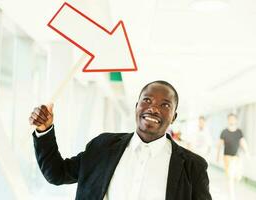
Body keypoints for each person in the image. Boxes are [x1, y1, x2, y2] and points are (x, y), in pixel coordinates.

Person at [29, 80, 212, 200]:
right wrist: (44, 130)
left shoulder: (192, 167)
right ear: (136, 107)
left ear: (174, 117)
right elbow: (57, 173)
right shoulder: (103, 147)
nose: (153, 108)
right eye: (147, 100)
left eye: (165, 105)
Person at [217, 113, 250, 200]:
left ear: (236, 120)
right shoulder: (224, 132)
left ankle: (233, 184)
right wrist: (217, 155)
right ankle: (232, 196)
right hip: (227, 157)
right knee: (230, 177)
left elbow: (243, 142)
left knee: (238, 177)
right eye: (230, 119)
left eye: (233, 119)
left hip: (236, 158)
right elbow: (219, 145)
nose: (231, 120)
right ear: (228, 120)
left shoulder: (239, 131)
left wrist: (247, 153)